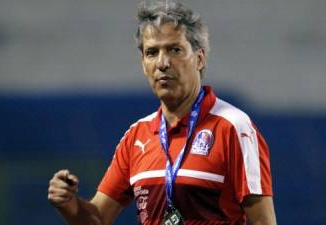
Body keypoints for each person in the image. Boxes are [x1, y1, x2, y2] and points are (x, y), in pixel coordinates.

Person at [47, 1, 277, 225]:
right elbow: (98, 217)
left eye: (174, 50)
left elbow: (262, 220)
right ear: (143, 63)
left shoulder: (233, 127)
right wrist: (69, 204)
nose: (162, 63)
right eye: (152, 52)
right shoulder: (136, 136)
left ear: (199, 58)